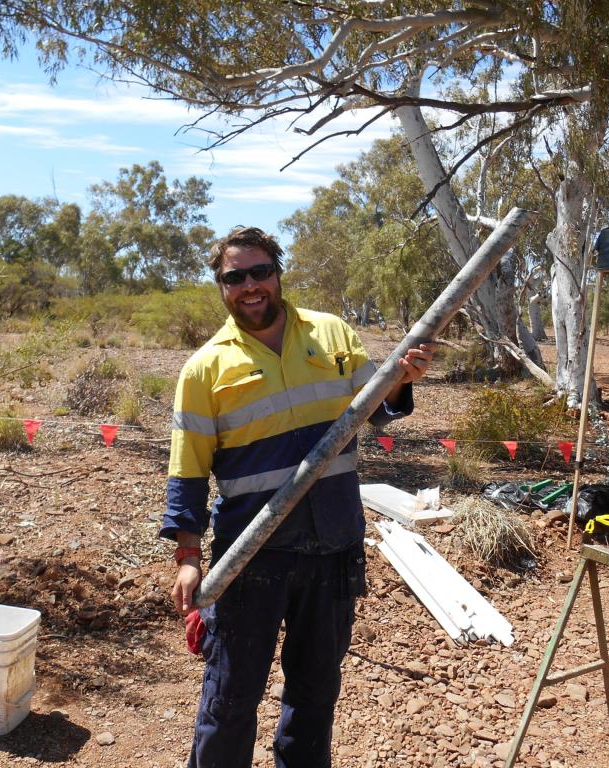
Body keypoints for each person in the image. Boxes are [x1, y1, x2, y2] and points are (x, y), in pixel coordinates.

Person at [161, 226, 434, 768]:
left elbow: (377, 405)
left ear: (278, 273)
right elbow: (186, 473)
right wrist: (189, 558)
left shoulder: (331, 334)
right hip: (251, 556)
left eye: (260, 271)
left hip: (333, 543)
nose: (250, 285)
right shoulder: (204, 369)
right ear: (221, 287)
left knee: (314, 695)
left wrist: (403, 381)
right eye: (234, 277)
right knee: (230, 698)